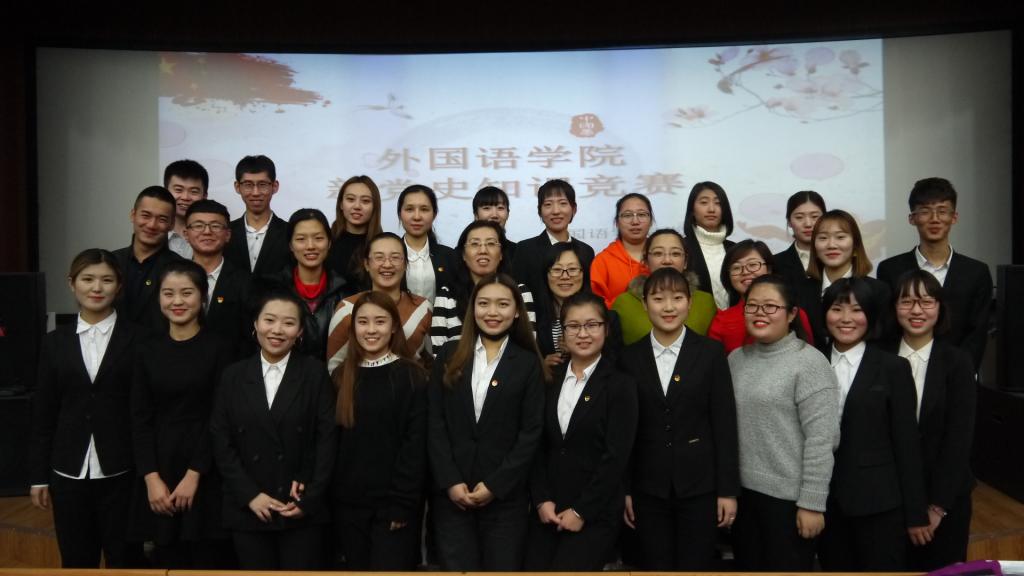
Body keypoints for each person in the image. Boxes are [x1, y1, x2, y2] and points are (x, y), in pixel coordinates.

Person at [619, 267, 738, 571]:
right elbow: (625, 431)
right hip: (647, 488)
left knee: (695, 565)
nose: (668, 307)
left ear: (690, 303)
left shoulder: (711, 353)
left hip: (700, 486)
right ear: (644, 304)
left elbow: (724, 425)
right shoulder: (629, 358)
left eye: (677, 298)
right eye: (658, 299)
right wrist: (626, 489)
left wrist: (727, 490)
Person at [427, 273, 547, 571]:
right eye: (484, 303)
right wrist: (450, 481)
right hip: (452, 497)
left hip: (505, 500)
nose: (492, 312)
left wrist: (495, 485)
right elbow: (435, 422)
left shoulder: (529, 363)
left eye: (503, 304)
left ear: (517, 311)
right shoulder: (449, 354)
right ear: (472, 308)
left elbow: (531, 433)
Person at [209, 290, 337, 571]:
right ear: (255, 324)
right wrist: (249, 495)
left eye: (289, 323)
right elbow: (221, 439)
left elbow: (326, 439)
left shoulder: (314, 373)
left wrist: (310, 496)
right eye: (269, 320)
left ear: (300, 331)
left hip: (299, 506)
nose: (277, 330)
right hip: (248, 507)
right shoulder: (233, 375)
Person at [29, 249, 139, 568]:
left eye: (107, 280)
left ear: (119, 286)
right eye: (88, 279)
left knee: (125, 560)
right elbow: (44, 413)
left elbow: (144, 411)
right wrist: (38, 477)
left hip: (123, 469)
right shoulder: (54, 342)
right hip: (67, 470)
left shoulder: (139, 339)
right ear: (72, 283)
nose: (97, 288)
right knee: (76, 561)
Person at [728, 274, 839, 571]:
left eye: (770, 306)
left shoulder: (810, 363)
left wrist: (812, 503)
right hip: (742, 497)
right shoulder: (736, 360)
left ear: (791, 314)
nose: (760, 313)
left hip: (789, 502)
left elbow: (822, 440)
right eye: (753, 306)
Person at [817, 277, 930, 572]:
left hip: (878, 502)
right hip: (823, 501)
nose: (846, 319)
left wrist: (916, 513)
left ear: (871, 315)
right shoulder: (810, 361)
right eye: (837, 309)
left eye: (857, 310)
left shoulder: (893, 367)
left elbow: (907, 444)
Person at [525, 292, 638, 571]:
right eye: (573, 326)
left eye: (592, 325)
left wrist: (581, 511)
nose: (583, 333)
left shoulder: (620, 385)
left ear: (606, 329)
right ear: (563, 332)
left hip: (595, 513)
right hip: (547, 510)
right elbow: (537, 444)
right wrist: (541, 500)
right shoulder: (549, 379)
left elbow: (616, 457)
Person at [132, 260, 232, 568]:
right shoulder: (145, 350)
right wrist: (151, 478)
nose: (177, 301)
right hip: (160, 466)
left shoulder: (221, 348)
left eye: (187, 293)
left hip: (207, 467)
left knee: (207, 560)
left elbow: (220, 417)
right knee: (165, 557)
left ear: (203, 296)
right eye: (168, 293)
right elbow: (139, 417)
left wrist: (194, 474)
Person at [331, 291, 427, 570]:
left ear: (394, 326)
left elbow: (415, 446)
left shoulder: (412, 376)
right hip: (348, 509)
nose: (371, 330)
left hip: (394, 507)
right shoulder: (340, 377)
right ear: (353, 328)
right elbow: (333, 444)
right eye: (363, 322)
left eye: (380, 321)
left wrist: (403, 504)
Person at [892, 270, 977, 570]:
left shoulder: (958, 361)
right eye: (907, 301)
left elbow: (959, 438)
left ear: (940, 308)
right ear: (894, 307)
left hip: (946, 496)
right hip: (891, 499)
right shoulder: (879, 358)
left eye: (926, 302)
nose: (916, 310)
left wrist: (937, 507)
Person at [877, 177, 993, 372]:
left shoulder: (976, 272)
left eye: (942, 211)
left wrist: (960, 373)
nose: (935, 219)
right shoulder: (890, 269)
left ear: (954, 217)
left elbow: (977, 333)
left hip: (956, 374)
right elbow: (887, 327)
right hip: (902, 370)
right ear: (912, 218)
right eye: (925, 211)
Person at [326, 233, 433, 372]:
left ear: (405, 264)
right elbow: (334, 367)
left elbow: (431, 361)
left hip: (412, 384)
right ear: (366, 264)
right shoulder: (347, 309)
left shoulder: (423, 308)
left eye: (395, 257)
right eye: (379, 257)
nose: (387, 264)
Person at [430, 221, 536, 348]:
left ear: (501, 254)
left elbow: (528, 344)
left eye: (491, 244)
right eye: (475, 244)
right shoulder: (447, 294)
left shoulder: (520, 292)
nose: (483, 250)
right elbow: (439, 350)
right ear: (463, 254)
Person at [801, 209, 892, 353]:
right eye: (823, 238)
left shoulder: (878, 291)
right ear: (814, 248)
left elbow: (885, 343)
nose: (831, 245)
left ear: (855, 246)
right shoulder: (800, 291)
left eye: (840, 237)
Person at [265, 209, 348, 360]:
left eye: (318, 238)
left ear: (329, 243)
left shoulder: (345, 291)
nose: (310, 246)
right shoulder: (273, 289)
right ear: (290, 245)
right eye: (301, 239)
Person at [708, 240, 814, 354]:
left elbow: (809, 354)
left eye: (753, 265)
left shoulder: (791, 312)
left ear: (769, 269)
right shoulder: (721, 321)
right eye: (736, 268)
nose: (745, 272)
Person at [612, 228, 717, 343]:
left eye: (675, 254)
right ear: (646, 261)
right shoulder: (624, 303)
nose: (667, 260)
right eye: (658, 253)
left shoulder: (705, 302)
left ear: (685, 262)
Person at [536, 242, 623, 369]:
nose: (565, 276)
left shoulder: (608, 318)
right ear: (546, 275)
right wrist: (542, 367)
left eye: (572, 269)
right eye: (557, 270)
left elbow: (617, 362)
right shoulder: (534, 318)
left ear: (584, 274)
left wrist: (580, 351)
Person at [184, 199, 252, 360]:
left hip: (229, 368)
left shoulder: (246, 282)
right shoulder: (172, 277)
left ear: (228, 234)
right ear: (186, 234)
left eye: (215, 226)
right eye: (198, 225)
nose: (207, 232)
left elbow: (248, 339)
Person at [513, 179, 595, 311]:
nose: (556, 211)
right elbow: (519, 295)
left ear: (574, 209)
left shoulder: (586, 251)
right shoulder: (525, 250)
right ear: (539, 211)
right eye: (548, 204)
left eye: (563, 203)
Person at [112, 185, 183, 335]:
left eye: (162, 219)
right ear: (133, 215)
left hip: (161, 347)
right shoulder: (111, 263)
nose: (152, 225)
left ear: (171, 224)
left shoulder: (181, 269)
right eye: (145, 216)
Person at [224, 155, 291, 279]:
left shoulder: (290, 233)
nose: (255, 193)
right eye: (248, 185)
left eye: (262, 184)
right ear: (237, 187)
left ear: (275, 186)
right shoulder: (225, 233)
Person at [590, 193, 653, 308]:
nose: (635, 221)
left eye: (642, 214)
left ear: (651, 221)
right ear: (617, 223)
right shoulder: (603, 261)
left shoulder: (663, 255)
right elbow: (595, 304)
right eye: (627, 215)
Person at [397, 184, 456, 305]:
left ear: (434, 214)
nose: (417, 217)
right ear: (399, 214)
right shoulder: (389, 256)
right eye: (409, 209)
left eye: (424, 209)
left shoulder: (450, 257)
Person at [682, 181, 736, 310]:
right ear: (692, 210)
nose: (711, 209)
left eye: (718, 203)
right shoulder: (681, 248)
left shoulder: (736, 250)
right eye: (704, 202)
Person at [327, 175, 383, 288]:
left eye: (365, 201)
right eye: (350, 199)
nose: (357, 206)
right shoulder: (326, 241)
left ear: (374, 206)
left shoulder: (382, 245)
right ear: (341, 204)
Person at [773, 191, 826, 289]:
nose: (808, 224)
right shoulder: (775, 263)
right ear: (789, 222)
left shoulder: (837, 258)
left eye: (815, 216)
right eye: (799, 217)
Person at [164, 159, 209, 259]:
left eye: (194, 191)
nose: (185, 197)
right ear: (166, 192)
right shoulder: (154, 231)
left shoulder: (212, 236)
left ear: (204, 196)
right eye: (178, 190)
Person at [473, 186, 516, 263]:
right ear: (476, 215)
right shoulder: (461, 252)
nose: (494, 215)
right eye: (486, 208)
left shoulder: (518, 252)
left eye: (500, 208)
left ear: (508, 214)